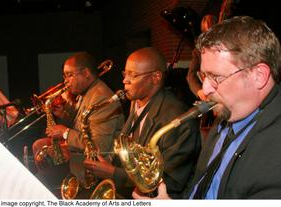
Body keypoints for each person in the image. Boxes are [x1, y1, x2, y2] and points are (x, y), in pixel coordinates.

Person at [133, 16, 281, 199]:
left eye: (216, 77)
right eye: (204, 76)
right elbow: (201, 187)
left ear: (259, 75)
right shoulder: (228, 113)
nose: (205, 89)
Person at [84, 47, 201, 198]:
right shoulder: (138, 104)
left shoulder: (178, 119)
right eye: (125, 74)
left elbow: (170, 180)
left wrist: (113, 172)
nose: (125, 80)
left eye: (133, 75)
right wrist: (109, 160)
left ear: (156, 77)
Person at [32, 52, 125, 198]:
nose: (66, 81)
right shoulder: (86, 93)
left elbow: (97, 146)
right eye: (64, 76)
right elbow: (83, 126)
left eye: (69, 75)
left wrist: (65, 133)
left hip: (91, 171)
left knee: (40, 180)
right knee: (41, 162)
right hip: (80, 159)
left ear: (86, 73)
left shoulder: (100, 97)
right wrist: (64, 115)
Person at [186, 14, 217, 101]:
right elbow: (190, 75)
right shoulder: (198, 52)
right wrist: (199, 90)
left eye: (211, 30)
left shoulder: (225, 46)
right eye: (206, 31)